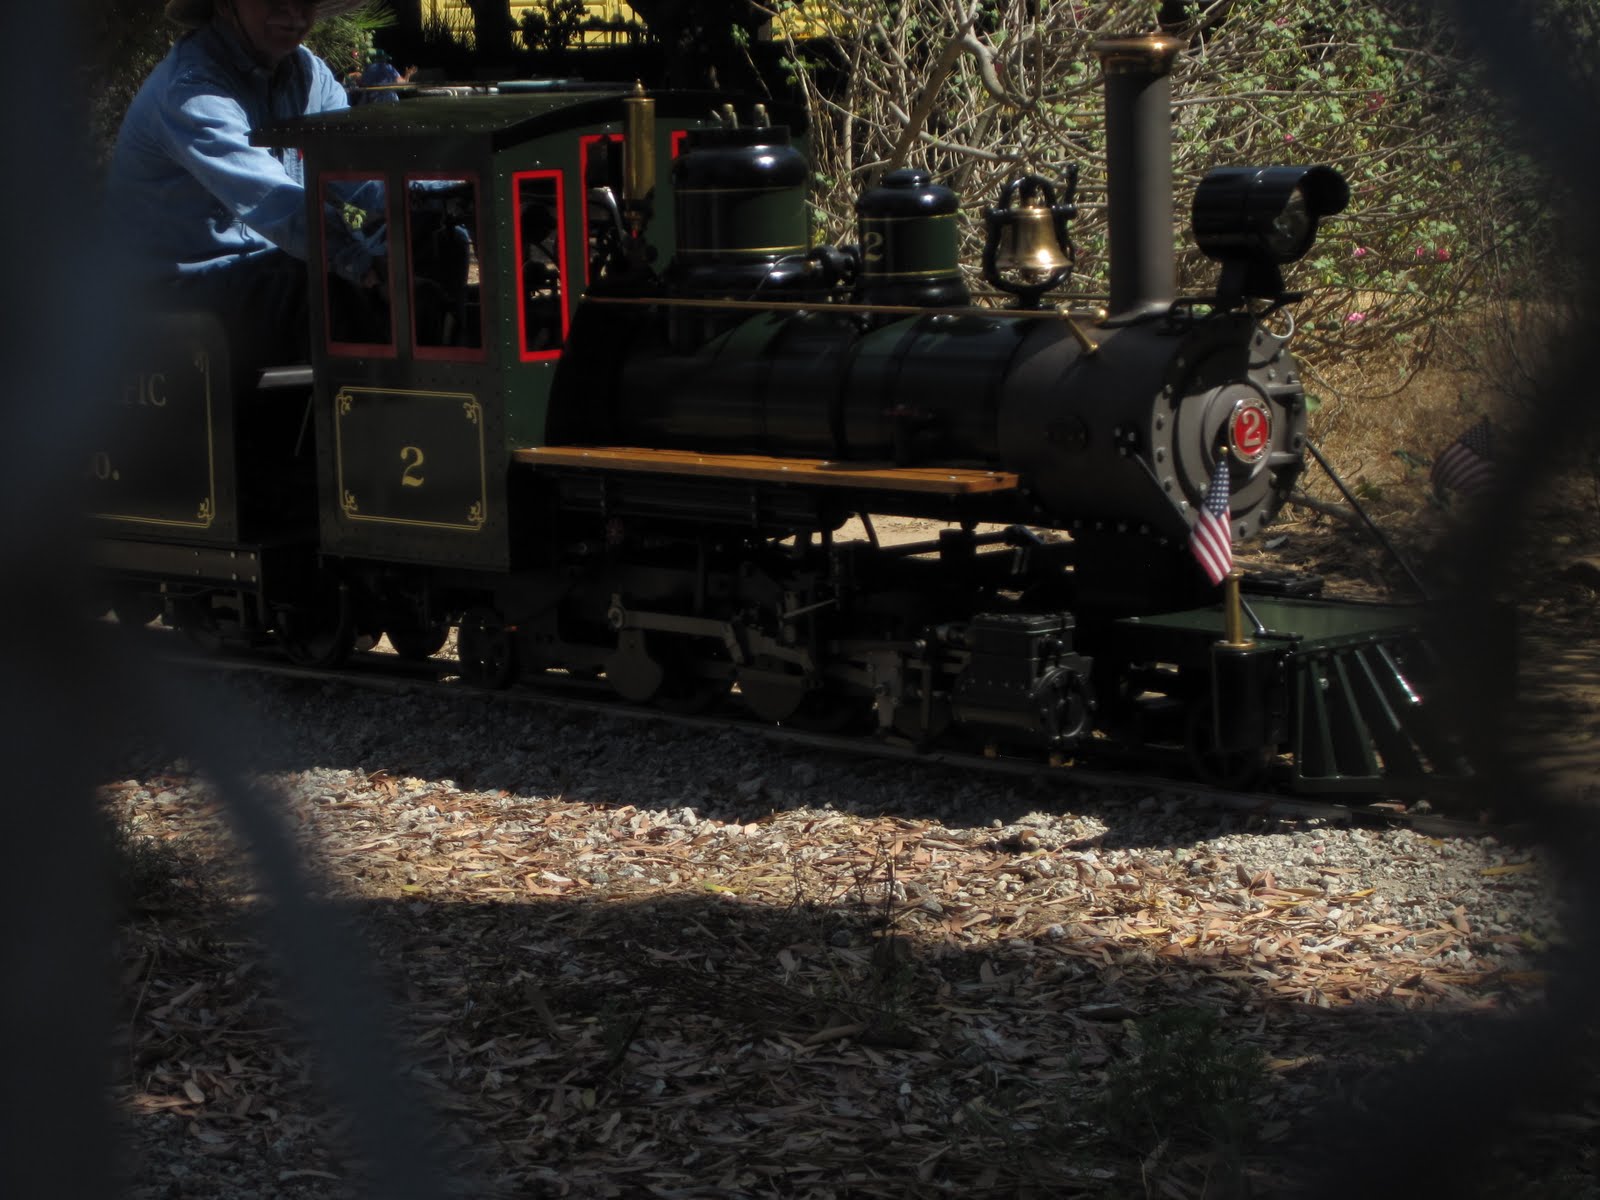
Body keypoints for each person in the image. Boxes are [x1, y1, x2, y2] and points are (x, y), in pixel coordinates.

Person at [105, 0, 382, 365]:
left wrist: (417, 207)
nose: (295, 14)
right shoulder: (191, 90)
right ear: (224, 6)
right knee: (317, 289)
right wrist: (368, 268)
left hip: (260, 276)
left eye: (307, 2)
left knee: (430, 249)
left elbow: (356, 172)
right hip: (175, 300)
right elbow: (275, 202)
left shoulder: (309, 74)